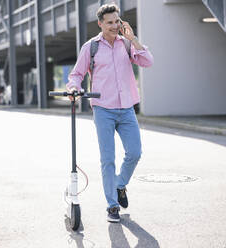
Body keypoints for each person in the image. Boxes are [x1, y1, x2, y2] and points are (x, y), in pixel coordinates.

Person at [66, 3, 153, 223]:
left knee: (135, 152)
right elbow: (76, 74)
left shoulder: (126, 45)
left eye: (117, 21)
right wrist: (74, 88)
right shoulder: (91, 47)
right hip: (103, 108)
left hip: (126, 108)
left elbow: (147, 61)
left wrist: (133, 38)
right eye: (110, 22)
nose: (115, 26)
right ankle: (112, 205)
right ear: (100, 24)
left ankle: (119, 185)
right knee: (108, 159)